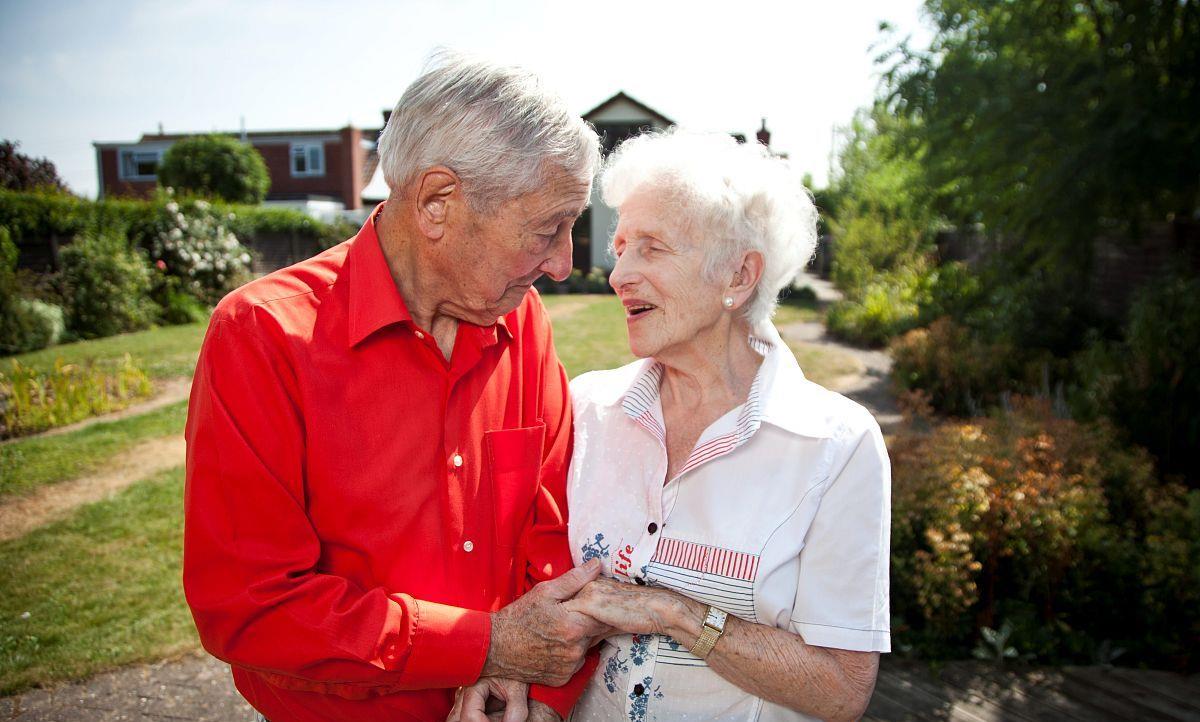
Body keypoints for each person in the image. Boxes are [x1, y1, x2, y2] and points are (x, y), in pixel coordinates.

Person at [182, 52, 606, 722]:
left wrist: (537, 695)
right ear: (438, 203)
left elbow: (556, 536)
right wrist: (482, 647)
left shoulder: (521, 321)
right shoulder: (263, 335)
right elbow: (252, 604)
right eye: (547, 228)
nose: (563, 262)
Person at [564, 129, 891, 721]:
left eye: (652, 248)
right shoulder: (586, 408)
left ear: (738, 276)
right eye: (621, 247)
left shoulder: (834, 444)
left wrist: (674, 612)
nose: (618, 274)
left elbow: (842, 688)